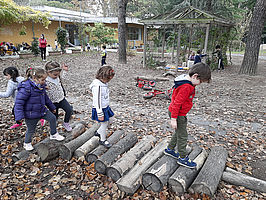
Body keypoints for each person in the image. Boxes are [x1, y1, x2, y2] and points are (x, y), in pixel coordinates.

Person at [165, 63, 211, 168]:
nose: (199, 84)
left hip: (176, 113)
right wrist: (174, 119)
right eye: (200, 81)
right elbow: (177, 103)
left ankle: (170, 149)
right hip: (178, 114)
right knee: (183, 135)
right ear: (195, 76)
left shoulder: (186, 81)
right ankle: (182, 158)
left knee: (179, 132)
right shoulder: (186, 87)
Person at [14, 67, 65, 151]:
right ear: (35, 79)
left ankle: (53, 134)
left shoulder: (41, 86)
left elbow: (46, 99)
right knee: (31, 130)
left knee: (52, 118)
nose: (44, 82)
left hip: (42, 110)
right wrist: (19, 117)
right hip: (31, 114)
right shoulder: (25, 88)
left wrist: (52, 107)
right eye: (42, 80)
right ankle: (27, 143)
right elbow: (19, 103)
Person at [89, 66, 115, 148]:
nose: (109, 81)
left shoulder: (103, 83)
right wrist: (99, 113)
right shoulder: (98, 86)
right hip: (100, 108)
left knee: (111, 119)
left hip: (105, 106)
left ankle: (98, 132)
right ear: (102, 76)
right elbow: (97, 100)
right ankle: (102, 140)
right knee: (104, 124)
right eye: (108, 79)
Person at [45, 61, 73, 132]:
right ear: (48, 72)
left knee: (69, 110)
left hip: (61, 99)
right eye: (55, 75)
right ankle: (54, 128)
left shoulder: (58, 78)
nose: (56, 76)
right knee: (54, 116)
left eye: (58, 74)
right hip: (52, 102)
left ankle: (66, 123)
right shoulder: (45, 81)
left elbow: (64, 79)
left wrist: (65, 71)